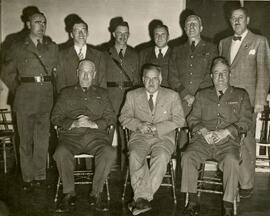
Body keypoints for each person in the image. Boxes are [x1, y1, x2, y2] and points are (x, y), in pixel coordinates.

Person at [181, 57, 253, 216]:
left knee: (232, 161)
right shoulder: (202, 95)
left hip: (228, 142)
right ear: (211, 76)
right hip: (203, 140)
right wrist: (203, 131)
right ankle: (192, 201)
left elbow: (246, 121)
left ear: (230, 74)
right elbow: (192, 119)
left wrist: (226, 131)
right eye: (216, 73)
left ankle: (227, 206)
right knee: (187, 156)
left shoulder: (241, 95)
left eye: (224, 73)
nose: (220, 77)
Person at [1, 12, 58, 190]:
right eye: (37, 22)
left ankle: (40, 175)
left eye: (44, 22)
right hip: (25, 98)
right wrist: (19, 90)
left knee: (42, 139)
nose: (41, 25)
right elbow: (6, 72)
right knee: (25, 140)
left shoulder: (52, 47)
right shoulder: (17, 46)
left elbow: (57, 73)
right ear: (28, 24)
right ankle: (28, 177)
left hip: (46, 98)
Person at [119, 63, 185, 215]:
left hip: (163, 138)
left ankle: (142, 197)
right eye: (147, 79)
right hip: (139, 136)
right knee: (135, 155)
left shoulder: (172, 96)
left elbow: (180, 120)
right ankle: (143, 200)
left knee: (161, 156)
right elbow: (123, 117)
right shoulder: (132, 95)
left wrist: (158, 128)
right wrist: (138, 124)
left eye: (154, 79)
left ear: (160, 79)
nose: (151, 82)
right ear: (142, 80)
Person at [51, 59, 116, 213]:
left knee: (109, 152)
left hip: (96, 137)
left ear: (94, 75)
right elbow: (55, 117)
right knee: (60, 153)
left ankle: (96, 193)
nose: (86, 76)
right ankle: (69, 194)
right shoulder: (66, 93)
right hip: (71, 137)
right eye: (82, 72)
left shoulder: (103, 93)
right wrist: (73, 123)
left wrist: (94, 124)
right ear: (77, 73)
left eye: (89, 73)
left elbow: (111, 118)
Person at [219, 6, 270, 198]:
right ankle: (231, 181)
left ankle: (246, 184)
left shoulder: (259, 41)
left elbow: (264, 74)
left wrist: (259, 101)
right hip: (226, 101)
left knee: (246, 141)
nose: (237, 21)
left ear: (247, 20)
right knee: (227, 139)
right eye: (233, 18)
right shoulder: (223, 43)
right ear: (229, 21)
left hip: (248, 103)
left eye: (240, 18)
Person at [104, 20, 139, 168]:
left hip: (129, 98)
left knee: (127, 137)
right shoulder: (104, 54)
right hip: (110, 97)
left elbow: (137, 79)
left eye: (125, 34)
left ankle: (126, 171)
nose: (122, 36)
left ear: (129, 35)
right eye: (119, 33)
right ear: (113, 34)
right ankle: (103, 173)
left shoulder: (135, 54)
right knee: (106, 136)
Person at [169, 14, 218, 117]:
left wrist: (197, 96)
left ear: (201, 28)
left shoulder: (211, 48)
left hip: (204, 100)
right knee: (182, 131)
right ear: (185, 28)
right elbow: (172, 77)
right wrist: (186, 95)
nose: (191, 27)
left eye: (194, 24)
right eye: (188, 24)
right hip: (182, 101)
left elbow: (211, 74)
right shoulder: (177, 50)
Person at [57, 19, 106, 92]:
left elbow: (102, 83)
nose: (81, 33)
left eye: (83, 30)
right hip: (70, 99)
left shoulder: (99, 55)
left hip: (93, 99)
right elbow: (60, 85)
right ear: (71, 35)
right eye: (77, 30)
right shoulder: (61, 56)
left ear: (87, 33)